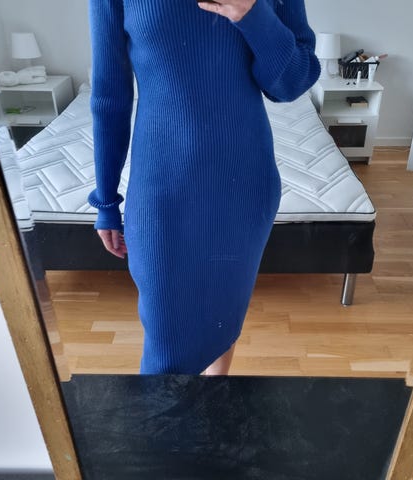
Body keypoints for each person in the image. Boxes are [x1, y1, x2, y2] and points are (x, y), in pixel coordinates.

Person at [88, 0, 320, 375]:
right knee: (165, 350)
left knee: (223, 317)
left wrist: (252, 13)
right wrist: (106, 201)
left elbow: (292, 83)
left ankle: (215, 395)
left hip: (243, 185)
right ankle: (166, 413)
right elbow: (109, 96)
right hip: (161, 190)